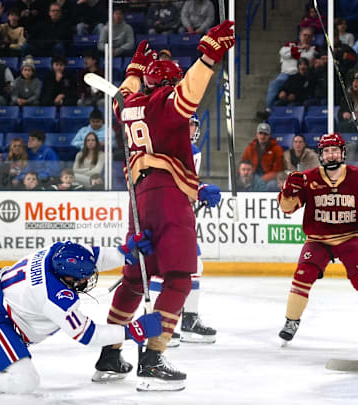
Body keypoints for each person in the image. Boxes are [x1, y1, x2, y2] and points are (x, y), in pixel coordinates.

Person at [95, 22, 234, 391]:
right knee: (178, 279)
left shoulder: (130, 105)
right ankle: (152, 357)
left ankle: (109, 355)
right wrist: (208, 56)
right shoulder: (164, 104)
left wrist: (133, 72)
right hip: (168, 197)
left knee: (133, 280)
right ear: (167, 84)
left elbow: (120, 96)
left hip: (139, 199)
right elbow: (189, 94)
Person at [0, 236, 163, 393]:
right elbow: (88, 335)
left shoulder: (57, 253)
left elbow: (93, 257)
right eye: (81, 279)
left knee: (3, 354)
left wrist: (124, 254)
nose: (86, 281)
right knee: (25, 380)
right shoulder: (53, 296)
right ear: (66, 278)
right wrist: (132, 330)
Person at [276, 133, 358, 345]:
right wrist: (287, 192)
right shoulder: (308, 177)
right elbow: (287, 209)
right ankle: (291, 321)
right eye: (327, 151)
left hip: (351, 237)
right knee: (303, 275)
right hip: (318, 239)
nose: (331, 155)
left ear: (343, 152)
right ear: (321, 155)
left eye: (335, 150)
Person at [147, 112, 219, 345]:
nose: (191, 129)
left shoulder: (192, 151)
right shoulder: (165, 149)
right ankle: (158, 325)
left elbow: (185, 183)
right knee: (162, 270)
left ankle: (188, 320)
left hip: (176, 214)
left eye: (193, 125)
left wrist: (199, 190)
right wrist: (199, 190)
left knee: (194, 264)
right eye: (187, 124)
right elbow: (171, 183)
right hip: (160, 213)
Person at [240, 122, 284, 187]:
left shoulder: (277, 149)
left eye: (265, 134)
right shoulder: (250, 148)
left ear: (269, 136)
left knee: (272, 184)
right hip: (252, 177)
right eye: (260, 133)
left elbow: (277, 171)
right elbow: (242, 164)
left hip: (269, 179)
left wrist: (261, 179)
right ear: (256, 135)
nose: (262, 136)